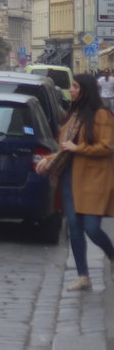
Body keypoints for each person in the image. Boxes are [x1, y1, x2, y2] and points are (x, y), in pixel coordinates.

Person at [41, 73, 114, 291]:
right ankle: (84, 276)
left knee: (91, 228)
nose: (71, 90)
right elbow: (64, 148)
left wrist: (78, 148)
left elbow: (107, 146)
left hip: (93, 179)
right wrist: (48, 159)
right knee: (73, 228)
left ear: (85, 90)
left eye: (74, 87)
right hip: (69, 178)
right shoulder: (72, 115)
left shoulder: (101, 114)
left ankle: (112, 255)